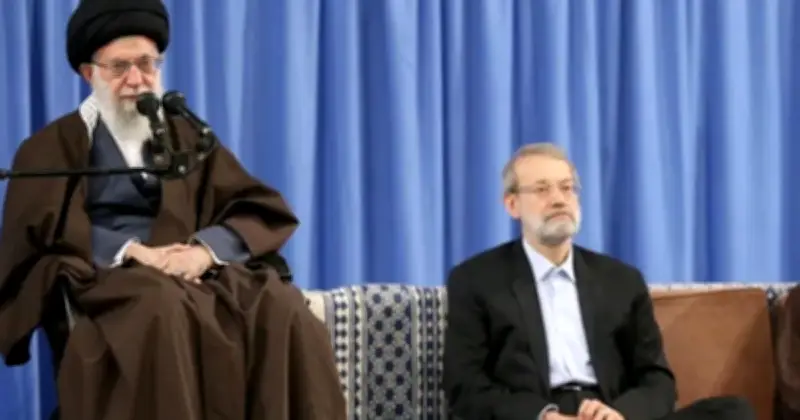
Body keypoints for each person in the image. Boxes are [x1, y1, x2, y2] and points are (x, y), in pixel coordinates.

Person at [0, 0, 346, 419]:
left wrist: (203, 252)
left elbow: (255, 206)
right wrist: (131, 251)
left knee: (280, 304)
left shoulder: (186, 135)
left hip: (192, 271)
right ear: (89, 74)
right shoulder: (51, 146)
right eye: (119, 67)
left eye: (147, 64)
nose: (136, 80)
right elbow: (40, 229)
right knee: (160, 304)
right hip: (108, 280)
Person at [442, 143, 755, 420]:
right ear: (512, 204)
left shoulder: (622, 280)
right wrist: (543, 416)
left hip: (610, 411)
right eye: (542, 189)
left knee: (732, 412)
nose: (559, 199)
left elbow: (657, 379)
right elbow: (465, 387)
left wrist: (621, 413)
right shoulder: (476, 280)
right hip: (538, 414)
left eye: (567, 188)